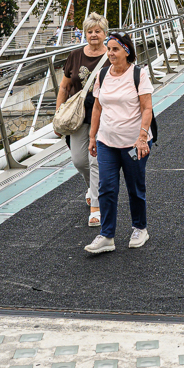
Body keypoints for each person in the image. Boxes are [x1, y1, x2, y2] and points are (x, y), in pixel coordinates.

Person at [86, 31, 154, 253]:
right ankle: (107, 235)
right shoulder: (102, 74)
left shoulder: (139, 74)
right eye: (109, 49)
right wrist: (92, 136)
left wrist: (142, 137)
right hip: (106, 142)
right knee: (106, 187)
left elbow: (147, 108)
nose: (110, 53)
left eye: (115, 49)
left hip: (134, 144)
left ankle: (140, 228)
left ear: (126, 51)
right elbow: (97, 107)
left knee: (135, 187)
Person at [58, 13, 110, 227]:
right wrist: (58, 114)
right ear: (85, 34)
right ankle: (93, 187)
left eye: (98, 31)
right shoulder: (75, 56)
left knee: (95, 160)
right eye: (90, 31)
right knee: (79, 160)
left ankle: (96, 207)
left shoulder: (112, 54)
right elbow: (65, 86)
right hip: (78, 115)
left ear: (105, 33)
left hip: (104, 114)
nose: (93, 35)